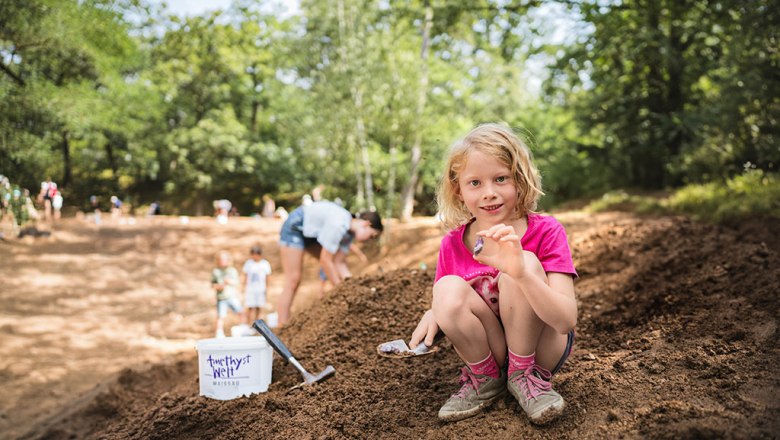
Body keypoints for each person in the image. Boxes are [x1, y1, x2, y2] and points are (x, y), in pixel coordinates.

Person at [408, 123, 578, 425]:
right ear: (457, 190)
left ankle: (525, 376)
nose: (489, 193)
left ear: (519, 180)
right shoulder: (452, 243)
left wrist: (522, 273)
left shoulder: (547, 231)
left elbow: (565, 321)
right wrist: (435, 311)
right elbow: (452, 299)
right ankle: (486, 379)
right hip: (495, 348)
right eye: (475, 183)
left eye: (501, 179)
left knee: (519, 262)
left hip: (542, 348)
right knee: (446, 287)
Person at [276, 200, 383, 326]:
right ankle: (281, 324)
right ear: (366, 224)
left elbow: (339, 264)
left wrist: (354, 289)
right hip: (296, 226)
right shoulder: (339, 224)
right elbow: (326, 261)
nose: (369, 241)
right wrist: (341, 290)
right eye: (372, 236)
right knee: (293, 279)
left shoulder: (348, 234)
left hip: (311, 234)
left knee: (332, 266)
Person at [211, 251, 243, 338]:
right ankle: (219, 332)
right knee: (221, 315)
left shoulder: (232, 270)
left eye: (224, 259)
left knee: (240, 312)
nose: (223, 261)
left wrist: (229, 282)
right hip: (221, 297)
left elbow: (237, 282)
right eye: (221, 259)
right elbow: (213, 285)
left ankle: (242, 328)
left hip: (232, 296)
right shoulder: (216, 271)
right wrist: (219, 286)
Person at [241, 245, 272, 325]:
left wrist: (267, 287)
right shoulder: (249, 263)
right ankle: (248, 324)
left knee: (259, 307)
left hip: (260, 288)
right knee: (250, 306)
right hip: (251, 288)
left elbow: (267, 276)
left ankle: (258, 324)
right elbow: (245, 275)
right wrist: (243, 286)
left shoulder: (265, 264)